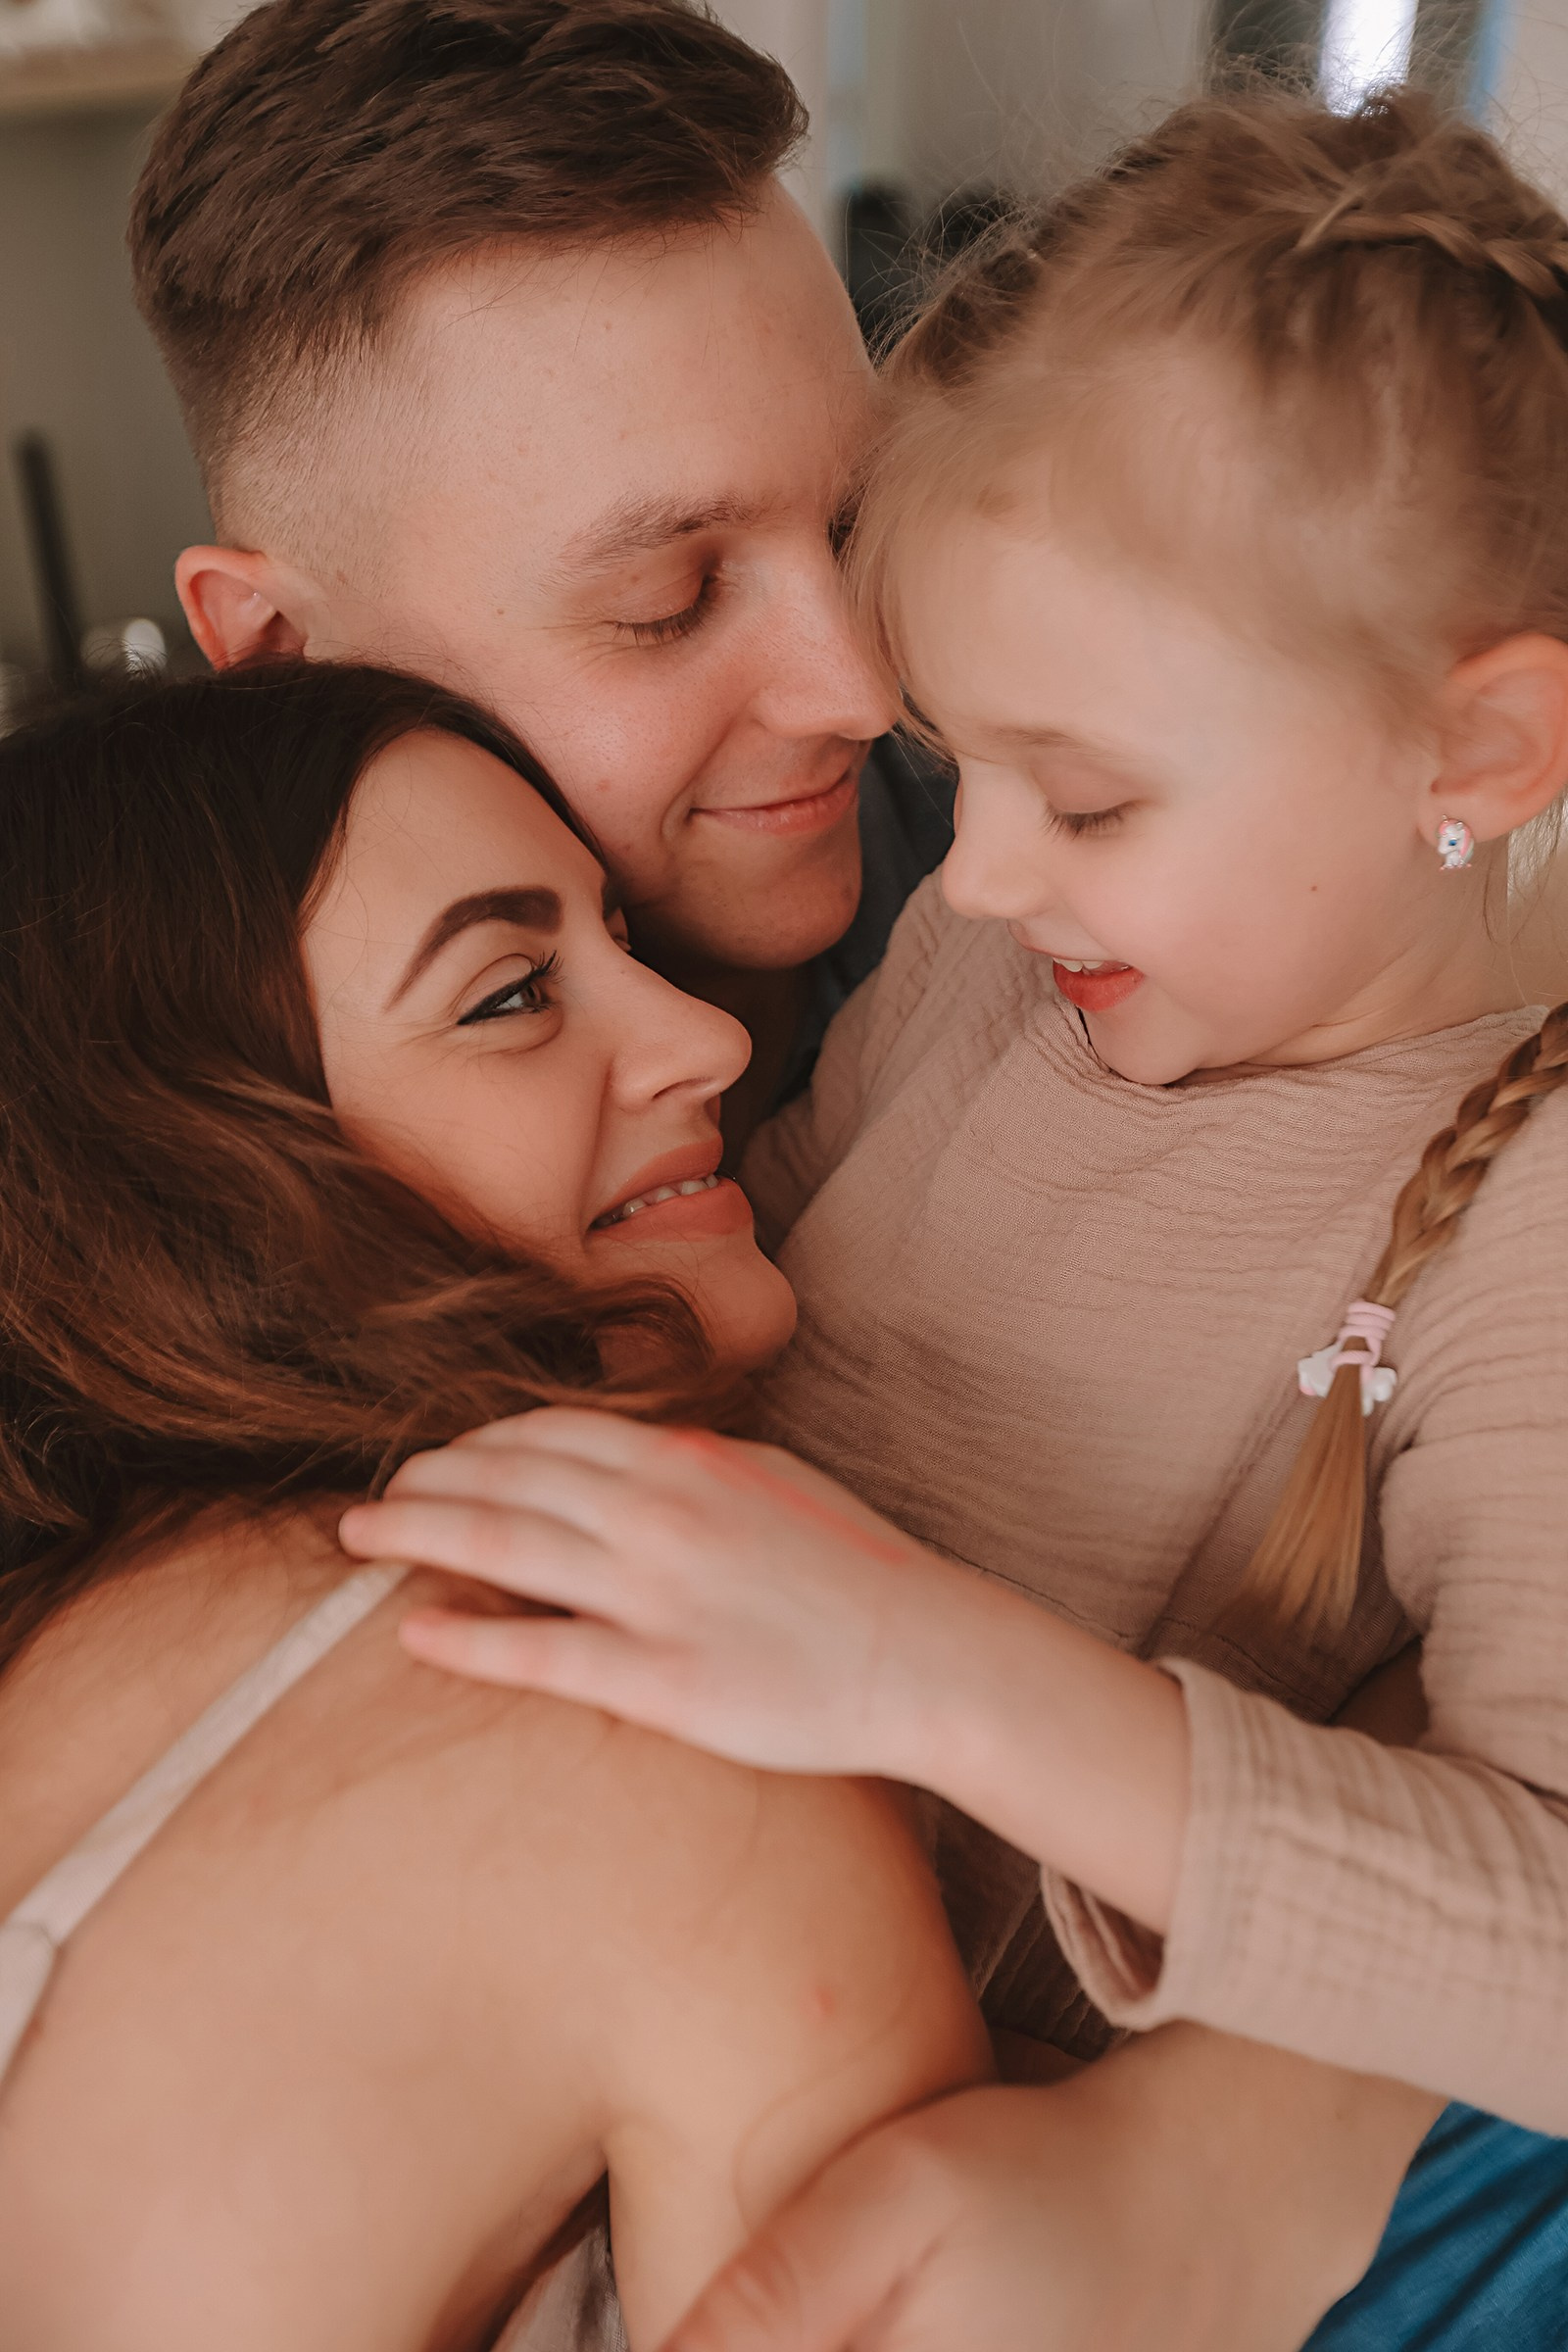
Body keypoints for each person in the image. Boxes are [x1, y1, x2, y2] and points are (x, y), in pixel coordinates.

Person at [344, 89, 1568, 2348]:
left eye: (1080, 798)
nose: (977, 873)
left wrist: (932, 1669)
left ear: (1474, 755)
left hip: (851, 2141)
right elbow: (759, 1277)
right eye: (955, 763)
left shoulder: (1523, 1210)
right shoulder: (1015, 956)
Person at [0, 661, 990, 2349]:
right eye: (513, 993)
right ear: (190, 1174)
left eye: (629, 943)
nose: (709, 1039)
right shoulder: (659, 1740)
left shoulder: (67, 1639)